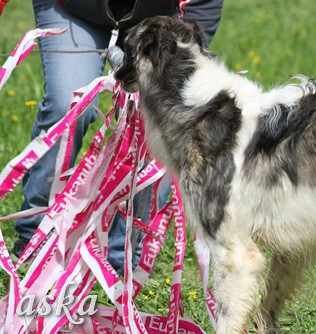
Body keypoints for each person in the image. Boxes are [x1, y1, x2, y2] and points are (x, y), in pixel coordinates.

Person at [14, 0, 224, 272]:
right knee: (68, 104)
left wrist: (189, 44)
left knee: (156, 122)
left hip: (158, 16)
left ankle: (122, 255)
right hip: (74, 9)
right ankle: (35, 233)